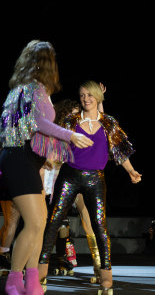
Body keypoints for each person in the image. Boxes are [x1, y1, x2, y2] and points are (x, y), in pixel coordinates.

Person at [0, 40, 94, 295]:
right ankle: (13, 280)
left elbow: (37, 130)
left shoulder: (30, 89)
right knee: (33, 223)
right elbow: (37, 122)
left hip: (28, 161)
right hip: (19, 159)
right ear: (46, 63)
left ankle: (31, 281)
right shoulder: (31, 89)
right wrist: (70, 136)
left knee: (40, 224)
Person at [38, 80, 142, 294]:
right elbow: (57, 143)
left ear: (98, 98)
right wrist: (48, 158)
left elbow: (120, 152)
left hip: (95, 179)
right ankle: (40, 272)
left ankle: (105, 273)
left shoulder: (108, 123)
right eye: (82, 95)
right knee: (53, 221)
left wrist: (131, 170)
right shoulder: (70, 119)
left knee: (100, 226)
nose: (85, 99)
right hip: (69, 176)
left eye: (89, 95)